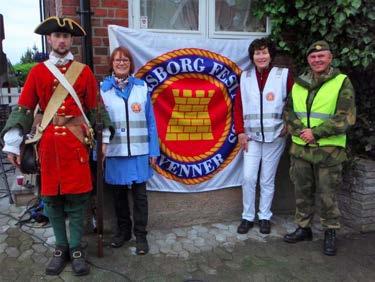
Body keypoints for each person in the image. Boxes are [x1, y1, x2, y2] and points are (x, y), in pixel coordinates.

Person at [1, 17, 113, 276]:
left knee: (77, 200)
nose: (61, 40)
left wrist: (104, 137)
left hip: (76, 146)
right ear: (49, 40)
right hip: (48, 148)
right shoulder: (38, 72)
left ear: (71, 40)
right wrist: (13, 143)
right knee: (51, 201)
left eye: (65, 36)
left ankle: (76, 249)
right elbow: (25, 108)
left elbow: (96, 108)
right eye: (56, 36)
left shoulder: (83, 72)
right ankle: (60, 248)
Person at [283, 40, 356, 256]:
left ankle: (330, 232)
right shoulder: (299, 83)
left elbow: (346, 117)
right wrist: (300, 131)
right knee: (302, 191)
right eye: (313, 57)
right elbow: (288, 111)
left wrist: (315, 132)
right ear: (308, 60)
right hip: (301, 149)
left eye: (321, 56)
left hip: (329, 150)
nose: (317, 60)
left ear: (330, 58)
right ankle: (304, 228)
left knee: (327, 194)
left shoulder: (342, 82)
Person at [100, 46, 160, 255]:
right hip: (115, 153)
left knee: (140, 197)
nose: (121, 63)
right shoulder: (103, 90)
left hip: (139, 152)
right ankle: (123, 233)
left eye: (125, 59)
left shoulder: (142, 87)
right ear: (112, 64)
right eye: (117, 60)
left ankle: (141, 236)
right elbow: (98, 122)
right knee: (118, 197)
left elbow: (151, 122)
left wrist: (154, 151)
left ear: (130, 63)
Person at [234, 38, 294, 235]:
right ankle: (247, 216)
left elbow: (295, 102)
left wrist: (288, 124)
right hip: (251, 137)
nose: (261, 56)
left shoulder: (283, 75)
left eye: (264, 52)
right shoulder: (245, 76)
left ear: (271, 55)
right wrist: (240, 132)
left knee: (267, 180)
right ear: (252, 57)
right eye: (257, 53)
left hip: (275, 136)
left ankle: (264, 216)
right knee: (248, 178)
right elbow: (238, 106)